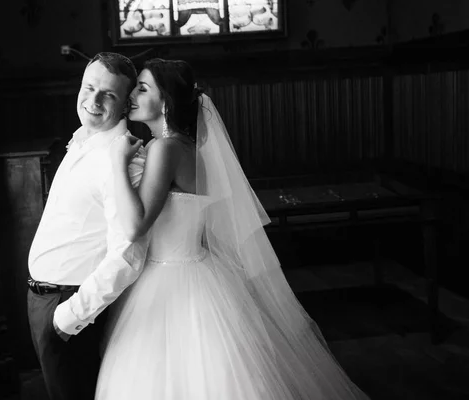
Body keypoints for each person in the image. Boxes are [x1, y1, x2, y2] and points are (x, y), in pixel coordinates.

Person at [95, 58, 370, 399]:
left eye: (142, 87)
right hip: (199, 271)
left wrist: (116, 164)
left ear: (165, 101)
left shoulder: (164, 149)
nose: (131, 95)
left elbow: (136, 226)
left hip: (170, 279)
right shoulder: (188, 148)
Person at [27, 52, 148, 400]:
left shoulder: (123, 161)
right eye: (89, 87)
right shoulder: (82, 140)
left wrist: (69, 317)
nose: (93, 100)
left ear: (126, 105)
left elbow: (128, 254)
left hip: (70, 307)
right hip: (42, 298)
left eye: (108, 94)